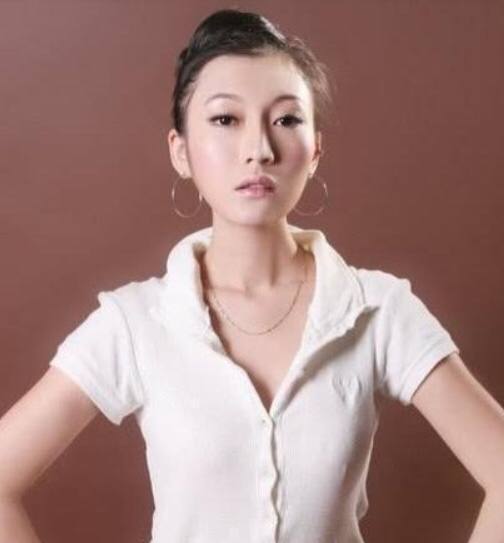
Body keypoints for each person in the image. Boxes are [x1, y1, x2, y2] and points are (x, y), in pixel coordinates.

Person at [1, 8, 503, 543]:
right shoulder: (136, 323)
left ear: (315, 151)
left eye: (286, 120)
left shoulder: (377, 310)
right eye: (225, 120)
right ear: (180, 152)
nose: (259, 150)